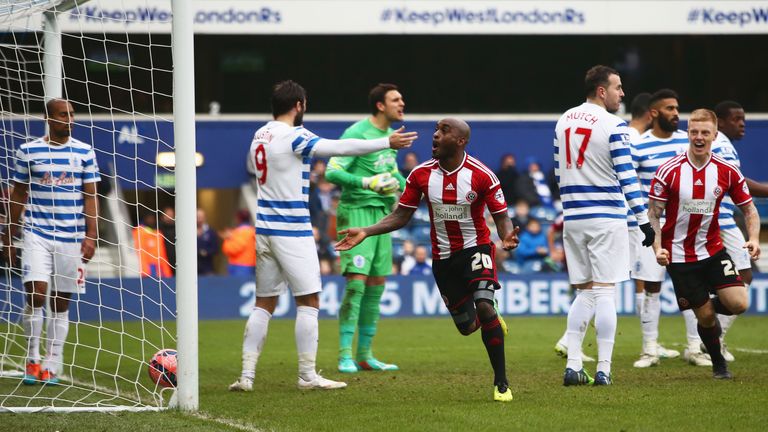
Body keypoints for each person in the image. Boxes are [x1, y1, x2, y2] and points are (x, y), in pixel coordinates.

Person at [228, 80, 416, 392]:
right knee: (309, 300)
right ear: (298, 105)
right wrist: (386, 142)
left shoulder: (260, 134)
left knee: (264, 303)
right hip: (292, 228)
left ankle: (246, 377)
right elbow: (339, 148)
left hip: (265, 229)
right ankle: (307, 376)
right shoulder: (295, 135)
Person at [336, 117, 520, 402]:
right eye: (435, 130)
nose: (435, 135)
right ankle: (491, 317)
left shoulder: (482, 175)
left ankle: (501, 383)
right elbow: (401, 215)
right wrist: (366, 231)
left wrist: (506, 236)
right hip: (443, 259)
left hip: (476, 249)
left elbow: (502, 216)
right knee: (467, 327)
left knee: (484, 307)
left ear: (460, 141)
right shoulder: (420, 175)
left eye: (444, 131)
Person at [554, 65, 653, 386]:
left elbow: (558, 172)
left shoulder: (563, 120)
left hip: (573, 218)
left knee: (584, 292)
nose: (622, 93)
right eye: (617, 87)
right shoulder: (614, 125)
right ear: (601, 91)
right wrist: (643, 221)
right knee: (605, 292)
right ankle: (603, 370)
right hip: (606, 217)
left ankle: (573, 366)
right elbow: (627, 177)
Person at [650, 108, 760, 380]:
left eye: (705, 132)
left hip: (712, 250)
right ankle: (719, 365)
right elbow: (653, 213)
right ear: (688, 133)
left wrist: (754, 238)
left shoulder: (727, 171)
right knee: (707, 317)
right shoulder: (669, 170)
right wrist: (657, 247)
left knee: (739, 303)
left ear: (714, 134)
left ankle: (705, 300)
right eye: (694, 132)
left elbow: (749, 210)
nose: (699, 137)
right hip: (679, 257)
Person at [2, 98, 100, 385]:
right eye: (62, 115)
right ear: (48, 118)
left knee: (60, 302)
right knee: (36, 294)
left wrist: (91, 234)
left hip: (72, 236)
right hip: (37, 233)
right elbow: (18, 194)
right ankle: (32, 359)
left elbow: (91, 195)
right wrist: (9, 235)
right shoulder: (28, 151)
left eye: (71, 114)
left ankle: (52, 362)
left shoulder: (84, 152)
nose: (69, 119)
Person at [325, 83, 406, 373]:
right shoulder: (357, 133)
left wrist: (414, 189)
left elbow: (391, 172)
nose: (402, 103)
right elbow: (332, 170)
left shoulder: (391, 137)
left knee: (376, 285)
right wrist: (366, 182)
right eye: (396, 99)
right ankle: (344, 355)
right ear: (380, 106)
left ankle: (364, 355)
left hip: (382, 217)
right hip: (357, 212)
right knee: (356, 283)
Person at [631, 89, 702, 367]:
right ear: (654, 113)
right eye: (669, 108)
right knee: (651, 286)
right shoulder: (639, 146)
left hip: (685, 227)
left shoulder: (687, 143)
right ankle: (649, 349)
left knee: (691, 286)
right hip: (654, 227)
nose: (675, 113)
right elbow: (628, 184)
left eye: (676, 108)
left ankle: (695, 347)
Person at [709, 101, 768, 361]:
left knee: (730, 278)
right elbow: (738, 183)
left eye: (743, 118)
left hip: (719, 218)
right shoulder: (721, 144)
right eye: (736, 119)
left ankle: (708, 338)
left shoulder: (723, 144)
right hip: (719, 220)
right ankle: (712, 338)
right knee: (743, 276)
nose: (742, 124)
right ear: (720, 122)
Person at [133, 213, 173, 278]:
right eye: (149, 218)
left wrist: (167, 272)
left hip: (159, 269)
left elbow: (162, 253)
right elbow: (141, 253)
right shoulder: (139, 232)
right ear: (145, 219)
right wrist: (144, 270)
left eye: (152, 218)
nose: (151, 220)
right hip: (146, 270)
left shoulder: (158, 233)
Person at [220, 209, 256, 277]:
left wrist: (227, 239)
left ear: (238, 219)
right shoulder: (253, 232)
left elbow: (231, 249)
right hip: (251, 265)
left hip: (238, 267)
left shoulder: (237, 233)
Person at [197, 208, 219, 275]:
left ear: (205, 218)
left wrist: (206, 252)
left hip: (207, 268)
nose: (199, 219)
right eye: (197, 217)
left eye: (201, 217)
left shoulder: (211, 232)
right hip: (192, 268)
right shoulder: (189, 232)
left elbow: (215, 249)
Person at [158, 205, 176, 275]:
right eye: (167, 215)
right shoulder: (158, 229)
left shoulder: (179, 229)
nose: (169, 217)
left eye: (171, 215)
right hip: (163, 260)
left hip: (176, 260)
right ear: (162, 216)